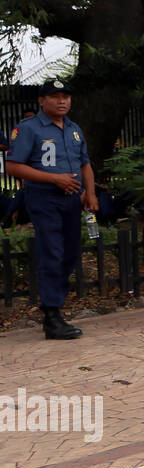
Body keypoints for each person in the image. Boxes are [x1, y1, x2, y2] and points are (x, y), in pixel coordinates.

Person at [5, 81, 95, 339]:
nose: (62, 101)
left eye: (66, 96)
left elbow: (85, 164)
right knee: (52, 252)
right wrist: (54, 179)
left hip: (72, 199)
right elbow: (13, 166)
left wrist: (89, 193)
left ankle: (57, 305)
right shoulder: (28, 128)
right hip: (44, 198)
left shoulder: (74, 129)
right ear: (41, 101)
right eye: (55, 96)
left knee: (69, 253)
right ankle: (52, 315)